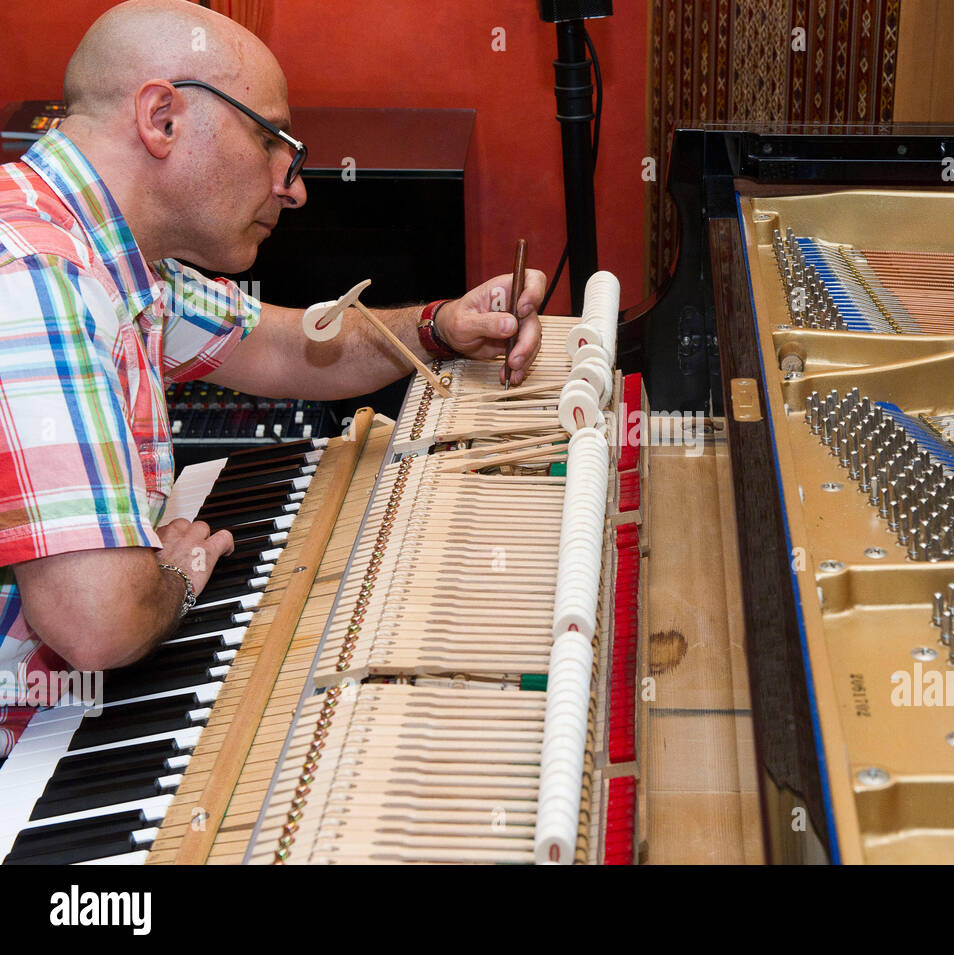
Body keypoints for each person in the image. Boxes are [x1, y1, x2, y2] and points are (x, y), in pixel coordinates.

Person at [0, 0, 546, 692]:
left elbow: (290, 346)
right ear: (162, 118)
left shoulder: (113, 253)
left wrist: (440, 326)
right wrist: (174, 576)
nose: (294, 189)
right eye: (270, 141)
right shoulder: (39, 278)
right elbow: (100, 622)